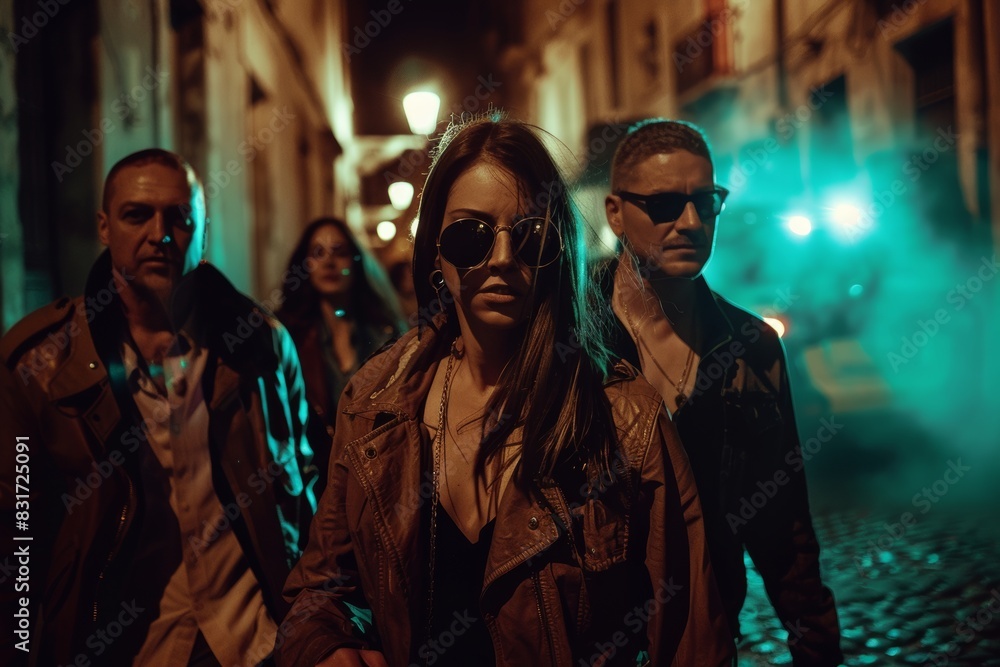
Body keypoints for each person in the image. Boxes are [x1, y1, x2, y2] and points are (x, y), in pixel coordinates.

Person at [274, 115, 733, 666]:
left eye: (530, 236)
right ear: (436, 254)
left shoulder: (625, 419)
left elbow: (690, 635)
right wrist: (330, 647)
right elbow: (321, 586)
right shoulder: (375, 403)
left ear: (558, 248)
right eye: (470, 235)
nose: (501, 259)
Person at [0, 149, 316, 666]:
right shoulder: (37, 362)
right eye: (136, 215)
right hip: (123, 648)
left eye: (179, 217)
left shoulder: (261, 345)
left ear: (203, 231)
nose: (160, 233)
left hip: (254, 641)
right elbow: (16, 531)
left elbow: (306, 495)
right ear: (104, 226)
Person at [602, 119, 843, 665]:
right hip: (585, 637)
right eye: (663, 204)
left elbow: (783, 518)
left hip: (706, 632)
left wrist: (817, 643)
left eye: (705, 203)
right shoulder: (568, 329)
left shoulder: (750, 345)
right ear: (615, 212)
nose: (689, 222)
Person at [277, 217, 406, 480]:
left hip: (375, 479)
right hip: (315, 479)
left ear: (356, 262)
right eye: (317, 252)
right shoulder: (288, 338)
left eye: (340, 252)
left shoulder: (385, 335)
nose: (329, 262)